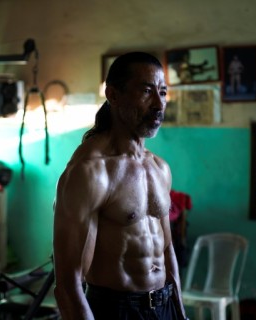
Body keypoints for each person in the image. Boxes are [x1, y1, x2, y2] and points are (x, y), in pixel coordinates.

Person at [53, 52, 188, 320]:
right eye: (147, 91)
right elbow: (69, 285)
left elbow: (167, 249)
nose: (158, 105)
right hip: (117, 310)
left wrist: (180, 313)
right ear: (113, 95)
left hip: (164, 306)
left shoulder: (160, 168)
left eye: (162, 92)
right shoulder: (91, 172)